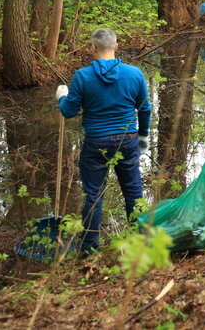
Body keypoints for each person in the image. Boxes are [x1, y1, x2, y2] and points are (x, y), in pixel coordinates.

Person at [56, 28, 151, 255]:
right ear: (116, 47)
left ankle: (89, 249)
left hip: (96, 141)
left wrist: (61, 97)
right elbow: (145, 108)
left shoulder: (82, 76)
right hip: (127, 141)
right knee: (133, 190)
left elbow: (69, 112)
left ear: (92, 48)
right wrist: (143, 136)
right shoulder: (135, 73)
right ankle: (139, 241)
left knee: (93, 194)